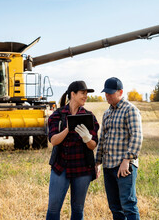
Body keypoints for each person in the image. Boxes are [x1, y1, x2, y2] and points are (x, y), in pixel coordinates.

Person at [46, 80, 99, 220]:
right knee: (53, 208)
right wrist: (67, 129)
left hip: (82, 169)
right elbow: (53, 141)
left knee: (77, 209)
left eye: (86, 93)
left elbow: (93, 145)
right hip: (60, 168)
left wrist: (87, 138)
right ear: (73, 94)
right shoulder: (57, 115)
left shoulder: (90, 117)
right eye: (83, 93)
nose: (85, 96)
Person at [96, 77, 143, 220]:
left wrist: (127, 160)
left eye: (111, 93)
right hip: (108, 166)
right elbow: (102, 139)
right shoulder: (107, 114)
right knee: (115, 207)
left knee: (128, 205)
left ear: (120, 92)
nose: (107, 96)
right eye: (106, 93)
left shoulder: (130, 110)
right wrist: (97, 162)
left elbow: (137, 136)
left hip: (124, 166)